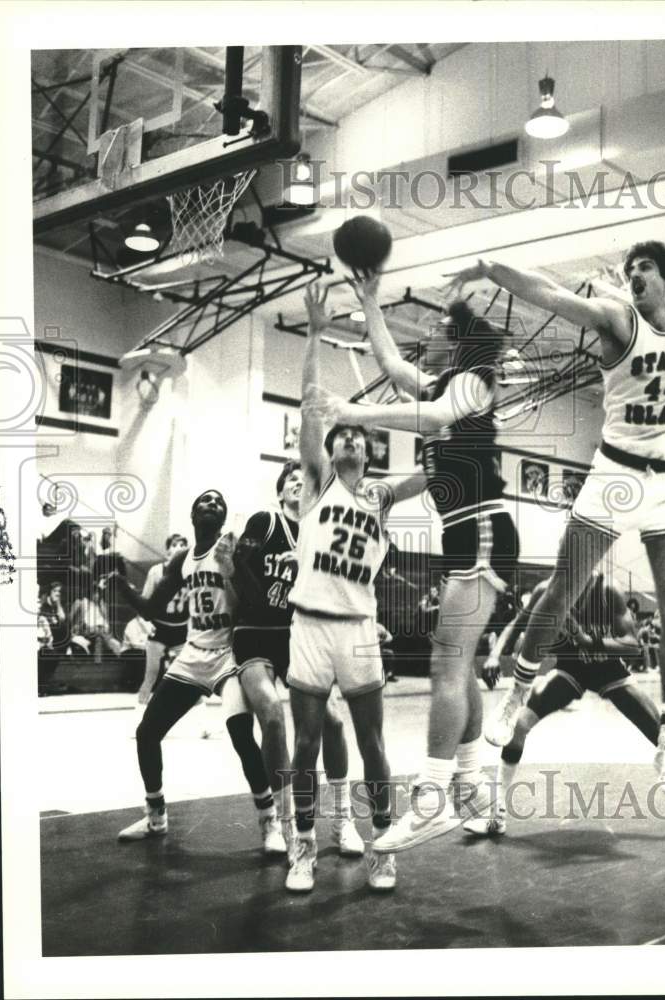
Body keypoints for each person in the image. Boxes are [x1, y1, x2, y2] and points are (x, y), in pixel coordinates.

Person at [446, 243, 665, 801]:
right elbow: (551, 294)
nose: (632, 276)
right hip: (617, 472)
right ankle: (517, 693)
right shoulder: (619, 318)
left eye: (643, 269)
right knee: (563, 587)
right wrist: (492, 266)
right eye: (628, 270)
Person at [308, 275, 520, 854]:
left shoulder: (475, 383)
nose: (429, 335)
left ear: (459, 342)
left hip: (481, 528)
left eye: (441, 329)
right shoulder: (444, 384)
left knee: (445, 664)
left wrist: (353, 409)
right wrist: (371, 298)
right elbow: (392, 363)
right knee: (463, 663)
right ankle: (476, 793)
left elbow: (428, 418)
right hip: (463, 533)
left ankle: (431, 799)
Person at [285, 282, 424, 892]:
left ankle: (384, 846)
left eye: (355, 435)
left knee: (373, 745)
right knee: (307, 742)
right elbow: (312, 403)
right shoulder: (315, 483)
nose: (345, 438)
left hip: (360, 628)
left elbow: (438, 468)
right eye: (339, 434)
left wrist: (447, 412)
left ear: (368, 448)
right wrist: (314, 335)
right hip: (311, 623)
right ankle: (303, 849)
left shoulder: (381, 495)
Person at [467, 573, 665, 836]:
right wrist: (494, 655)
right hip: (570, 671)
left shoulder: (607, 591)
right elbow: (517, 623)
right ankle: (496, 815)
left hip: (608, 670)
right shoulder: (549, 589)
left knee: (663, 735)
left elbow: (632, 644)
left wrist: (588, 640)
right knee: (518, 725)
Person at [109, 490, 291, 854]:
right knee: (147, 734)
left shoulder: (235, 548)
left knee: (240, 733)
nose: (213, 505)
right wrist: (120, 585)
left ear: (223, 518)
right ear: (193, 514)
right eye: (206, 501)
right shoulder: (181, 560)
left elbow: (256, 602)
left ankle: (268, 819)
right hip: (193, 654)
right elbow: (151, 609)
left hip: (230, 653)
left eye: (219, 503)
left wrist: (234, 569)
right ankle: (156, 817)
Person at [225, 460, 365, 862]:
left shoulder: (322, 535)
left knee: (334, 721)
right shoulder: (265, 522)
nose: (299, 485)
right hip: (254, 633)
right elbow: (236, 571)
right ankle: (285, 825)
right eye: (292, 480)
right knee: (270, 714)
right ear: (282, 489)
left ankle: (341, 819)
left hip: (298, 636)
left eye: (306, 482)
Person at [137, 533, 189, 705]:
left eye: (182, 545)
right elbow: (144, 602)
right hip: (159, 627)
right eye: (175, 544)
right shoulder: (156, 571)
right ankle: (139, 712)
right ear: (167, 550)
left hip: (181, 629)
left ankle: (202, 719)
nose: (178, 548)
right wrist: (146, 626)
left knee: (190, 677)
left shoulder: (190, 572)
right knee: (151, 674)